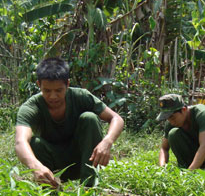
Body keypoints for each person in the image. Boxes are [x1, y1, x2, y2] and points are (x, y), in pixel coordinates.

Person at [15, 57, 124, 187]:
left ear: (67, 84)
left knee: (89, 118)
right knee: (34, 143)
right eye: (47, 91)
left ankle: (89, 188)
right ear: (39, 85)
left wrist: (107, 141)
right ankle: (49, 190)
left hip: (83, 161)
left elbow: (116, 118)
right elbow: (20, 141)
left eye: (58, 90)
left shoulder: (81, 96)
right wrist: (35, 166)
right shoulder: (32, 107)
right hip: (51, 164)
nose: (53, 96)